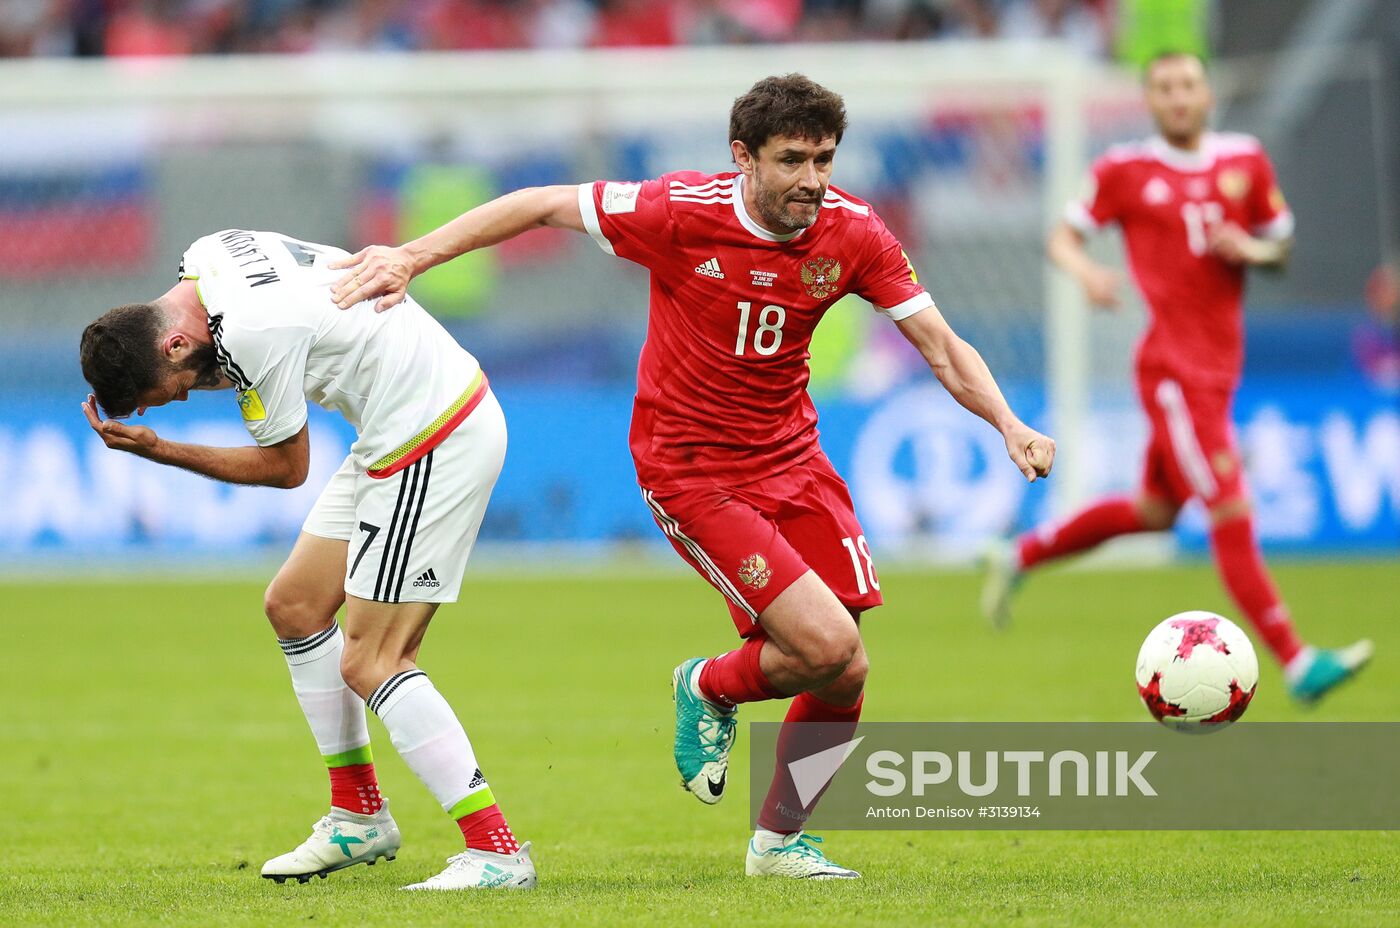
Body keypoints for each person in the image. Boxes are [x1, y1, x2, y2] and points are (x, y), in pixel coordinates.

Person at [330, 73, 1054, 879]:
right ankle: (708, 684)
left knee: (843, 666)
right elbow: (537, 203)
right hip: (692, 469)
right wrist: (412, 255)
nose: (813, 181)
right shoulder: (679, 211)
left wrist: (1009, 424)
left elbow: (943, 347)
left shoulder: (854, 232)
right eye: (791, 160)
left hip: (794, 459)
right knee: (827, 643)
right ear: (742, 157)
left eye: (823, 159)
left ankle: (781, 841)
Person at [78, 229, 536, 890]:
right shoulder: (207, 255)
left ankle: (496, 851)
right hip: (394, 425)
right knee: (293, 606)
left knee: (373, 659)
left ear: (174, 343)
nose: (181, 399)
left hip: (433, 432)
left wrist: (160, 448)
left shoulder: (250, 332)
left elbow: (287, 468)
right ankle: (359, 815)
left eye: (170, 387)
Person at [981, 52, 1372, 702]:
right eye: (1165, 88)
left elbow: (1282, 246)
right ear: (1151, 100)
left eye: (1188, 84)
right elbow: (1062, 237)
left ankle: (1020, 554)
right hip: (1173, 371)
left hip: (1220, 367)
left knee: (1157, 511)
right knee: (1229, 502)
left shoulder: (1244, 160)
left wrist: (1252, 250)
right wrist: (1088, 276)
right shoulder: (1126, 171)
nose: (1180, 96)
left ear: (1206, 91)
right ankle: (1298, 661)